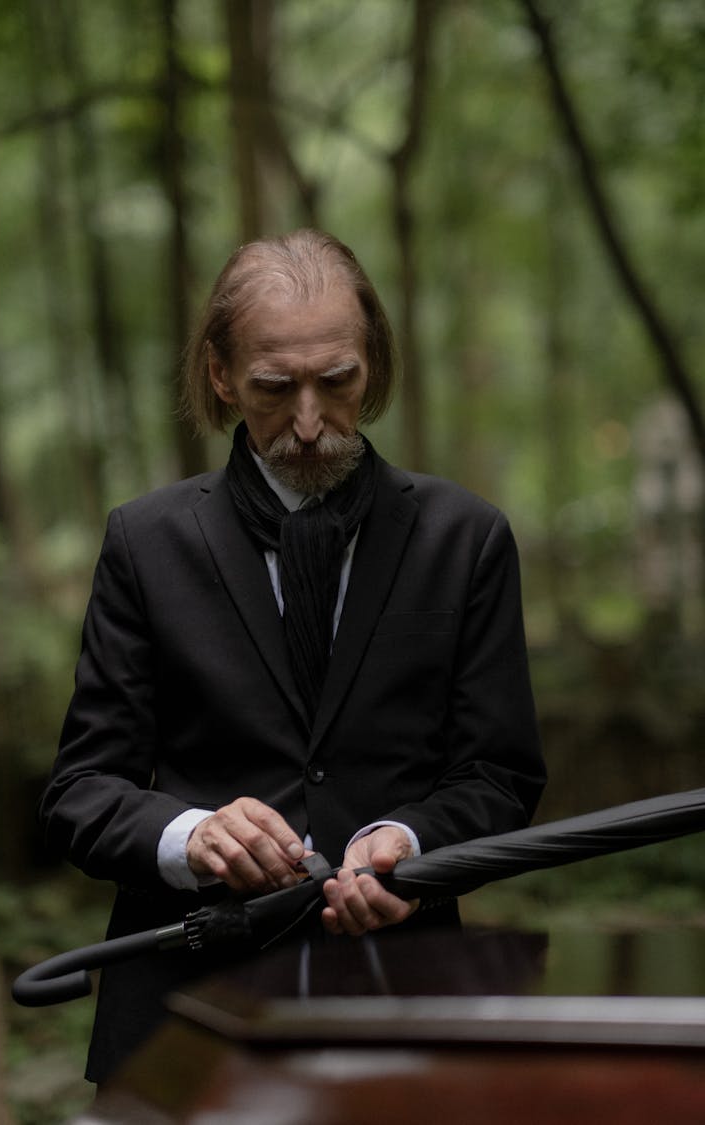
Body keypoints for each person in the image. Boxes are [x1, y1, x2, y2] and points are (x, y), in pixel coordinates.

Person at [39, 228, 545, 1083]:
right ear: (221, 375)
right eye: (275, 388)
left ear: (373, 366)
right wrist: (192, 835)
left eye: (336, 381)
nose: (308, 423)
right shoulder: (144, 541)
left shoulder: (469, 539)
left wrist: (408, 839)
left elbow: (499, 775)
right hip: (183, 1018)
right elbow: (81, 793)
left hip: (406, 1009)